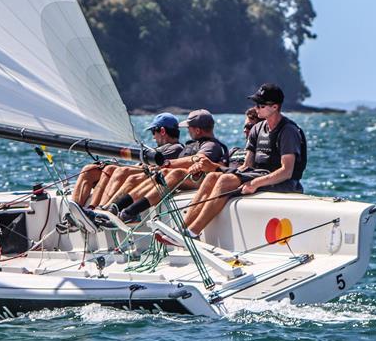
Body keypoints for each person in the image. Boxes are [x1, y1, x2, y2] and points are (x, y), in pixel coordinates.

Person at [183, 83, 307, 238]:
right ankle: (182, 229)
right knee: (213, 177)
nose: (256, 108)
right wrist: (223, 171)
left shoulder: (288, 131)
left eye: (261, 105)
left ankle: (192, 233)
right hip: (257, 173)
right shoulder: (257, 128)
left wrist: (255, 183)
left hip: (282, 182)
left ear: (275, 107)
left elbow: (286, 172)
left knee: (225, 181)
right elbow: (247, 166)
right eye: (256, 104)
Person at [109, 110, 229, 222]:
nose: (187, 131)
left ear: (197, 130)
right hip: (187, 177)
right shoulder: (196, 144)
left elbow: (198, 159)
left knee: (173, 173)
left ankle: (130, 212)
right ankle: (115, 207)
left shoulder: (211, 145)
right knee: (139, 178)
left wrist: (167, 164)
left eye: (189, 128)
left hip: (199, 179)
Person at [70, 113, 183, 208]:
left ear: (162, 131)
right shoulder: (157, 149)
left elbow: (150, 167)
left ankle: (96, 209)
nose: (153, 137)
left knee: (114, 170)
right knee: (90, 170)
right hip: (141, 170)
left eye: (153, 132)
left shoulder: (176, 148)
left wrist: (119, 166)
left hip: (150, 176)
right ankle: (75, 211)